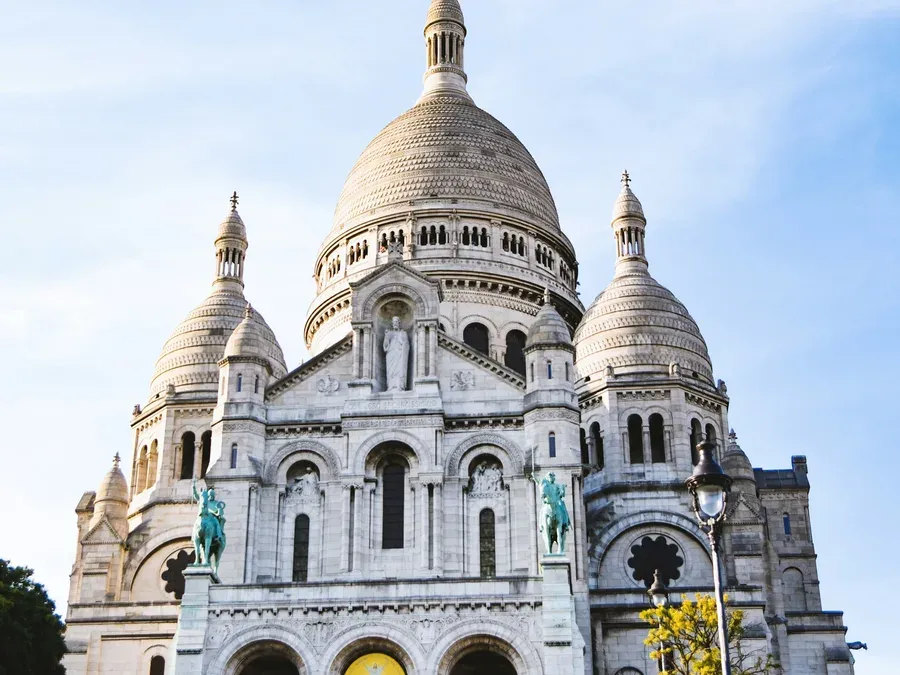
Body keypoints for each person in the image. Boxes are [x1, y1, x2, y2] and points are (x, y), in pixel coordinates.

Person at [383, 316, 410, 391]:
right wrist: (386, 337)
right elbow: (385, 346)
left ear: (399, 323)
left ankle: (400, 385)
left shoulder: (403, 333)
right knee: (390, 371)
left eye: (396, 322)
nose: (395, 323)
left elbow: (406, 345)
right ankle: (390, 386)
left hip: (400, 355)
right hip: (391, 355)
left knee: (400, 370)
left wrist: (401, 342)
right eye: (394, 322)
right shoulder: (389, 333)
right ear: (392, 323)